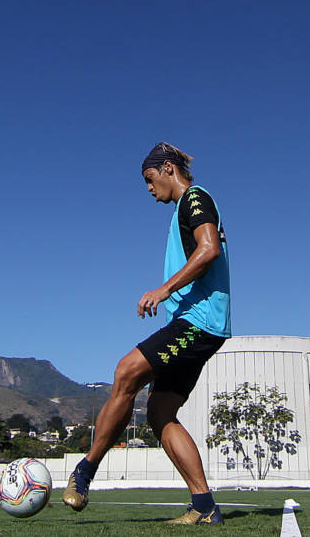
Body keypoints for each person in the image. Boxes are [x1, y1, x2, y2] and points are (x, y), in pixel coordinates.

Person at [62, 142, 231, 525]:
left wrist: (164, 289)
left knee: (126, 372)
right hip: (195, 324)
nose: (150, 189)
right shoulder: (183, 208)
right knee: (160, 412)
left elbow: (209, 250)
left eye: (150, 179)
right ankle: (204, 507)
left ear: (168, 168)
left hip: (198, 323)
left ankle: (85, 471)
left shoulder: (194, 199)